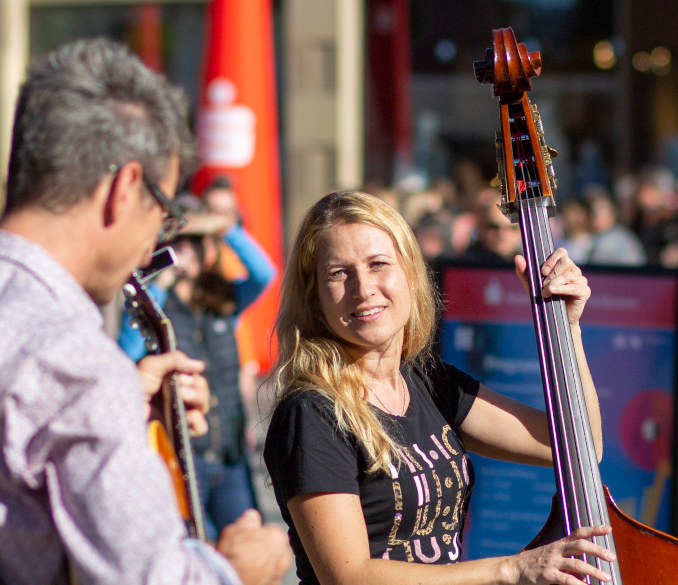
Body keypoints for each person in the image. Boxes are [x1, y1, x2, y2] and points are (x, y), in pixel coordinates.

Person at [0, 39, 291, 585]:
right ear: (124, 190)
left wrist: (121, 411)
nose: (151, 247)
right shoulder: (74, 362)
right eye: (162, 216)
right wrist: (238, 569)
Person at [262, 191, 615, 584]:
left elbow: (578, 446)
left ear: (410, 274)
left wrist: (567, 329)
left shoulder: (431, 384)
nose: (363, 288)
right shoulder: (311, 412)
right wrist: (511, 568)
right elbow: (349, 576)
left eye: (378, 264)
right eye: (339, 273)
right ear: (315, 299)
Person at [120, 202, 279, 541]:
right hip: (185, 453)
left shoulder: (223, 300)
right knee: (197, 548)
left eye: (195, 243)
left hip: (230, 452)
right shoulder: (152, 304)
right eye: (180, 243)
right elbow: (126, 351)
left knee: (245, 542)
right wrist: (161, 281)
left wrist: (225, 229)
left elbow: (265, 274)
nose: (187, 252)